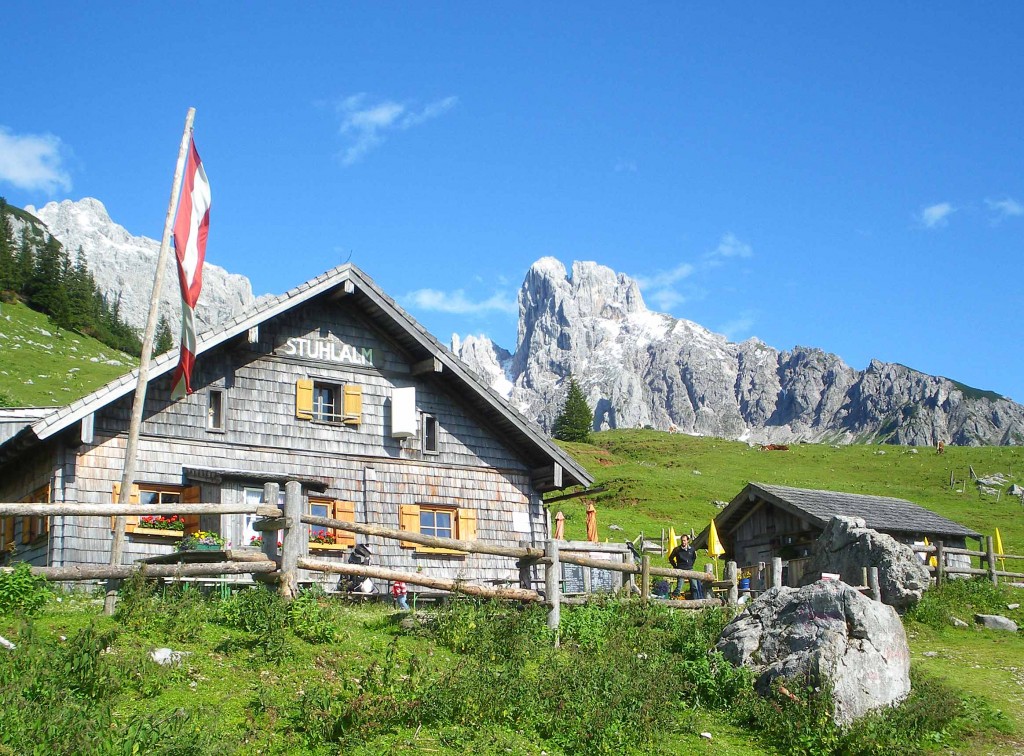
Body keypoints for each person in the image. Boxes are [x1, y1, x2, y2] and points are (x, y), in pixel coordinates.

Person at [668, 534, 704, 599]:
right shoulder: (677, 549)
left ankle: (695, 600)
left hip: (690, 569)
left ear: (687, 541)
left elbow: (694, 557)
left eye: (684, 540)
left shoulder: (691, 549)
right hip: (681, 569)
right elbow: (671, 558)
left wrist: (690, 564)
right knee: (679, 587)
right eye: (682, 541)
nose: (683, 542)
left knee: (694, 586)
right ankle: (673, 597)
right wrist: (675, 566)